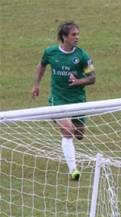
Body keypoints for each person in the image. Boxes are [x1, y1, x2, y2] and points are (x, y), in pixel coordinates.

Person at [31, 21, 96, 181]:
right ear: (64, 37)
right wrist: (37, 85)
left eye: (78, 34)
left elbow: (92, 78)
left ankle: (70, 144)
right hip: (58, 99)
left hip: (77, 100)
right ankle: (73, 170)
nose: (77, 37)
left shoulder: (82, 56)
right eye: (74, 34)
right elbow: (42, 65)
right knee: (68, 131)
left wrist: (78, 82)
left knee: (79, 134)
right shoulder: (51, 52)